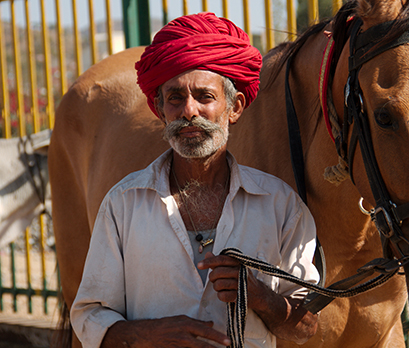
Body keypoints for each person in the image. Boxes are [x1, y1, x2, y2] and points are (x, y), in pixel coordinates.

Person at [70, 12, 320, 348]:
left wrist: (259, 295)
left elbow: (305, 328)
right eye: (175, 98)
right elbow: (88, 318)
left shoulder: (281, 205)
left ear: (235, 107)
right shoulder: (123, 204)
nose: (189, 110)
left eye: (204, 97)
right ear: (160, 109)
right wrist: (149, 334)